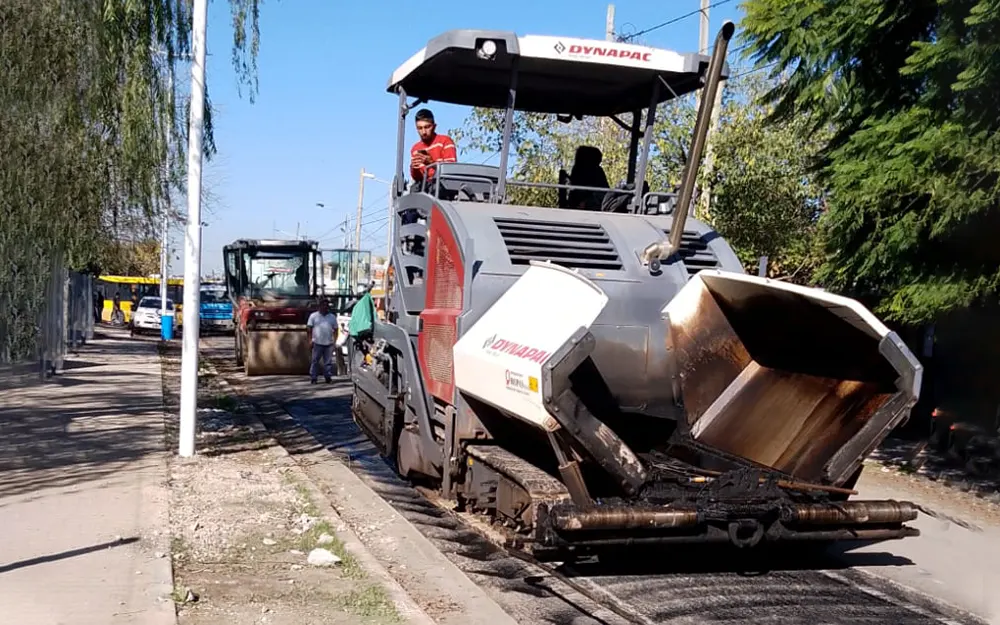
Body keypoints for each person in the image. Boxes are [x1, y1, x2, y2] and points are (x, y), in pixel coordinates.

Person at [409, 108, 457, 186]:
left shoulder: (445, 141)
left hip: (442, 184)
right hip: (424, 186)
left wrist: (431, 162)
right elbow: (417, 178)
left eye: (427, 127)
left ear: (434, 126)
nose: (424, 132)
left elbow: (451, 169)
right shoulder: (415, 149)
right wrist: (414, 168)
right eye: (420, 128)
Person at [307, 298, 337, 384]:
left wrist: (334, 341)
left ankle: (328, 377)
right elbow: (309, 328)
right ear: (319, 306)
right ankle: (313, 377)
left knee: (328, 362)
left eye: (326, 305)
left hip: (329, 343)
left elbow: (336, 329)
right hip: (317, 342)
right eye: (323, 305)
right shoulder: (313, 316)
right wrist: (310, 340)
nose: (325, 307)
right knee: (315, 361)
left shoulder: (332, 317)